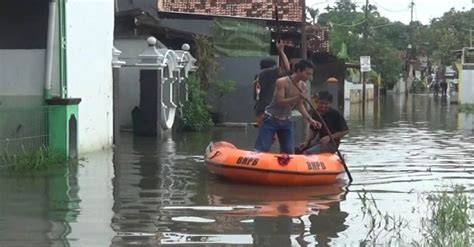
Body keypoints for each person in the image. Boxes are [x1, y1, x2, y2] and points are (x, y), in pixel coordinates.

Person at [254, 59, 322, 154]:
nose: (309, 77)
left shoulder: (303, 86)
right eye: (307, 74)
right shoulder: (282, 82)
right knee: (262, 148)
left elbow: (299, 104)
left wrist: (310, 119)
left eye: (310, 74)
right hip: (271, 118)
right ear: (298, 70)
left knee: (289, 151)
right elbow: (281, 101)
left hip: (286, 120)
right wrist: (297, 97)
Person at [254, 41, 291, 127]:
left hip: (260, 108)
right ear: (272, 67)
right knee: (272, 137)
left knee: (265, 137)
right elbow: (286, 68)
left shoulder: (259, 76)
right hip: (267, 109)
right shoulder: (268, 73)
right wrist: (281, 51)